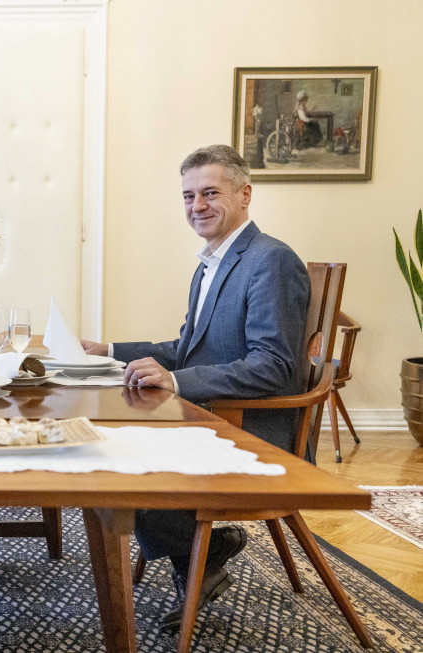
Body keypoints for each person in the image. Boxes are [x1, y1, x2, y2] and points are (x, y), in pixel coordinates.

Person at [81, 144, 310, 629]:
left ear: (245, 194)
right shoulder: (211, 261)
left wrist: (179, 381)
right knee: (114, 448)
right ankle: (204, 553)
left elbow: (273, 367)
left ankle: (202, 556)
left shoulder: (271, 261)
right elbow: (188, 346)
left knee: (125, 462)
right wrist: (109, 350)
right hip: (211, 413)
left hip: (255, 431)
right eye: (188, 196)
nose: (197, 206)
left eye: (210, 193)